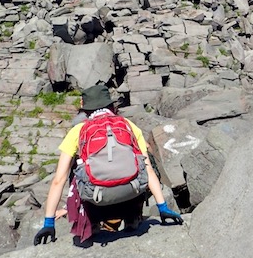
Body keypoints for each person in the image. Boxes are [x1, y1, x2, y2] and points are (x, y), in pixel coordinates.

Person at [34, 83, 182, 247]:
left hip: (96, 200)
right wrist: (162, 208)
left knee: (75, 170)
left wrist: (48, 223)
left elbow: (58, 179)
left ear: (83, 106)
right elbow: (147, 169)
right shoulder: (127, 125)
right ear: (111, 105)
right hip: (131, 194)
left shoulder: (78, 131)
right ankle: (132, 218)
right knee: (138, 163)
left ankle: (92, 224)